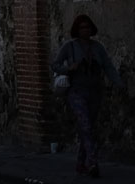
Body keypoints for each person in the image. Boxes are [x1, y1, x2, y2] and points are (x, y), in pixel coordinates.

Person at [52, 14, 121, 178]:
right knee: (85, 125)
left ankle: (81, 163)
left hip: (95, 91)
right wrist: (69, 69)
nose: (85, 30)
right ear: (77, 29)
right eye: (82, 27)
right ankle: (92, 162)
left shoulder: (98, 48)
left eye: (88, 27)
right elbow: (55, 65)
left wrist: (118, 83)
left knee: (88, 127)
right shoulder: (69, 47)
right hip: (76, 91)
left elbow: (108, 67)